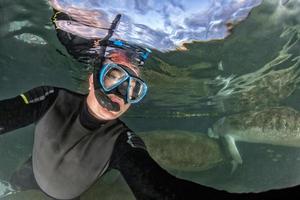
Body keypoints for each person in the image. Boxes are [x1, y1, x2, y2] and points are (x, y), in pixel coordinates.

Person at [0, 10, 296, 200]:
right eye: (115, 76)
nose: (119, 94)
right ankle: (15, 185)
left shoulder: (122, 142)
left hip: (72, 187)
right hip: (38, 168)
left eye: (133, 89)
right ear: (92, 79)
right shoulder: (51, 98)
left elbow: (159, 190)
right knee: (29, 173)